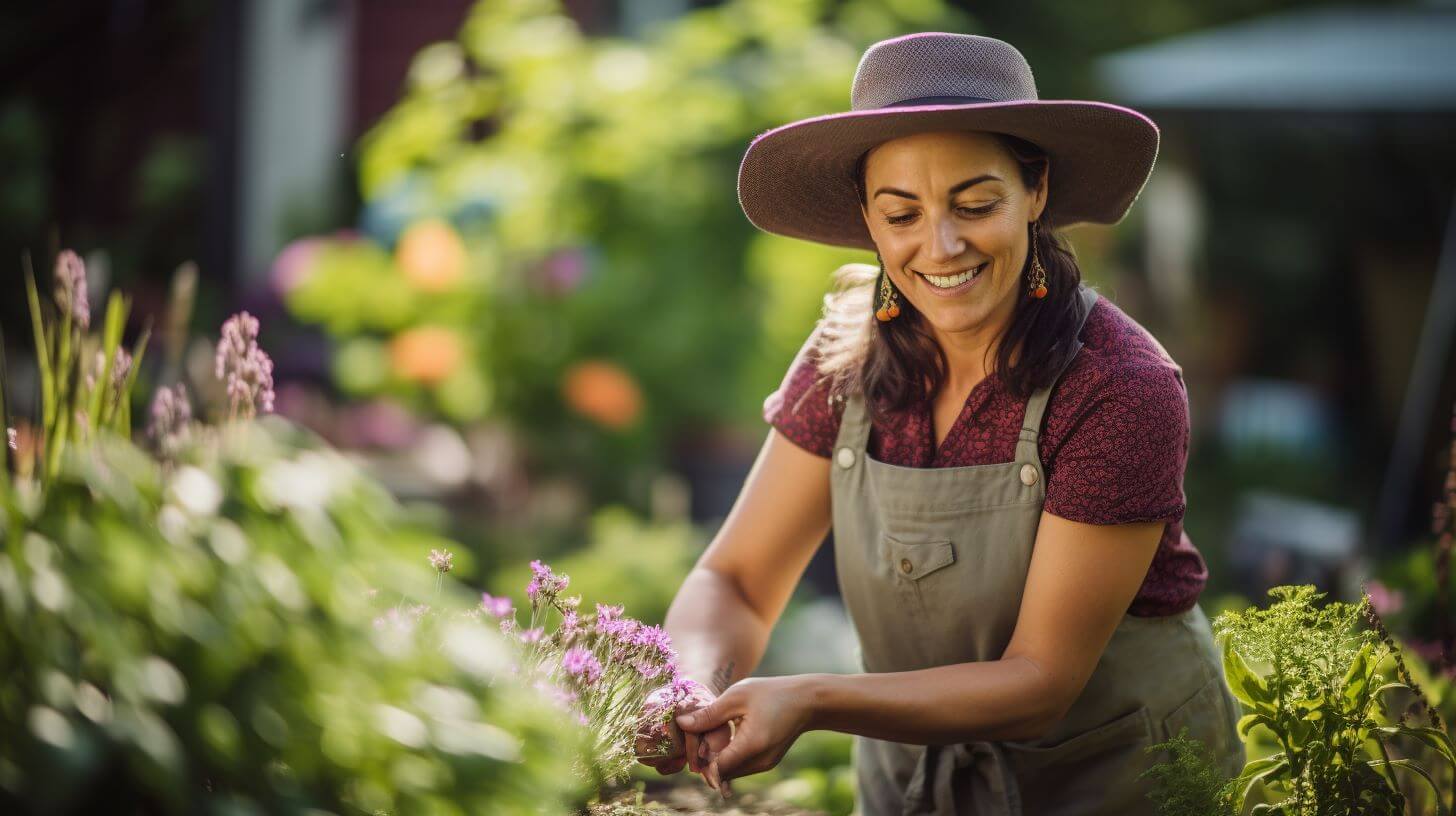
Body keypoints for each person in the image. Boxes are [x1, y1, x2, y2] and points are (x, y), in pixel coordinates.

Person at [635, 32, 1245, 815]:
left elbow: (1039, 683)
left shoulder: (1118, 384)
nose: (941, 245)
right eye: (902, 214)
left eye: (976, 203)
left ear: (1035, 191)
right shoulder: (845, 357)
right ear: (867, 218)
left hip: (1119, 781)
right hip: (912, 790)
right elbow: (739, 581)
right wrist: (688, 692)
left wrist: (814, 699)